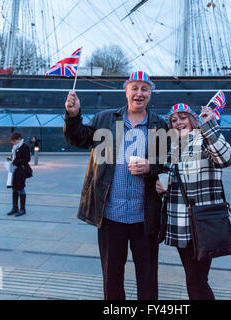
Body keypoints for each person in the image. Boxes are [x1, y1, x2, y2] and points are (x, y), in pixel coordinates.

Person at [63, 71, 168, 300]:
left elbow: (167, 163)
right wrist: (73, 116)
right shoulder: (105, 119)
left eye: (144, 89)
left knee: (148, 278)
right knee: (112, 278)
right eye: (135, 88)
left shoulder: (160, 125)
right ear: (126, 90)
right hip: (110, 216)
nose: (139, 93)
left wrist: (150, 167)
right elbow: (78, 138)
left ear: (151, 94)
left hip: (145, 217)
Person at [155, 103, 231, 300]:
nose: (178, 123)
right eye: (174, 120)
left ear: (192, 120)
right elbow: (172, 179)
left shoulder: (204, 140)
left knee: (196, 281)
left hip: (202, 223)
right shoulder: (173, 147)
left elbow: (226, 158)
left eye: (182, 118)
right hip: (179, 225)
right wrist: (161, 188)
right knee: (195, 280)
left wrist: (209, 124)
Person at [7, 132, 31, 217]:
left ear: (19, 139)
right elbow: (15, 157)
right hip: (14, 170)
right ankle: (15, 208)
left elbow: (27, 159)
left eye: (14, 141)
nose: (13, 143)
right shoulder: (15, 147)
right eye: (12, 141)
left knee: (20, 188)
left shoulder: (24, 147)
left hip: (21, 170)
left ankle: (22, 209)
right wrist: (11, 159)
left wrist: (15, 161)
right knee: (14, 188)